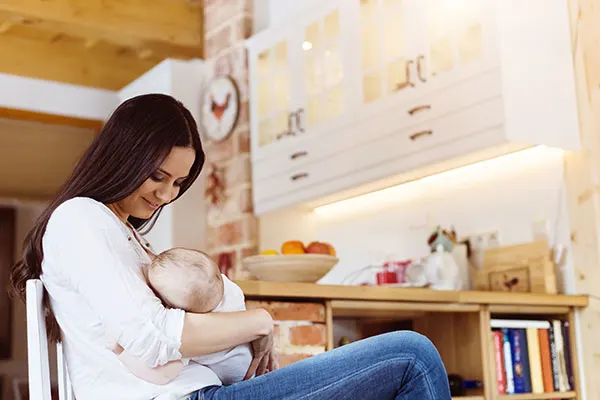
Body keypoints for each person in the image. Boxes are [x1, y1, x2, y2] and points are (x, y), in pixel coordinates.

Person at [10, 93, 452, 400]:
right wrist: (257, 321)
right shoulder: (81, 218)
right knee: (411, 356)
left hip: (203, 392)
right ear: (124, 157)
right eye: (158, 176)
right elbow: (150, 337)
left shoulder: (126, 235)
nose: (166, 194)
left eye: (178, 183)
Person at [111, 247, 252, 387]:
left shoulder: (194, 332)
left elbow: (162, 375)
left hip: (238, 379)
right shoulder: (231, 290)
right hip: (251, 358)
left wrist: (121, 352)